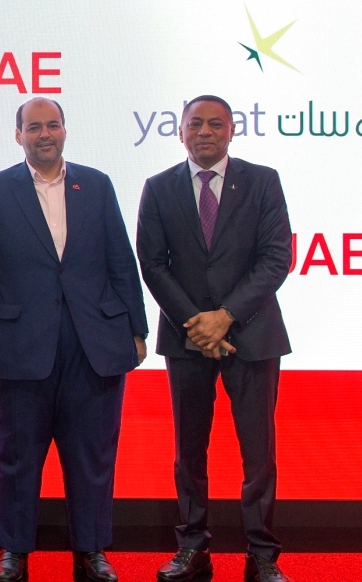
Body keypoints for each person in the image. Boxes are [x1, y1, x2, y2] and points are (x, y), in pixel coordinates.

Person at [0, 98, 147, 582]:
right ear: (18, 135)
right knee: (14, 457)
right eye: (33, 127)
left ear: (65, 130)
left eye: (52, 125)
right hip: (15, 346)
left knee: (92, 456)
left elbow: (120, 259)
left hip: (92, 343)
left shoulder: (97, 184)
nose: (44, 134)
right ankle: (14, 551)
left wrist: (136, 328)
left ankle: (91, 550)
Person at [136, 95, 293, 582]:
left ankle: (262, 554)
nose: (205, 132)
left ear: (231, 130)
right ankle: (192, 547)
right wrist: (197, 323)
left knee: (258, 452)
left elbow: (276, 257)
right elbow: (152, 264)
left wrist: (225, 317)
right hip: (187, 339)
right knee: (189, 450)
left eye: (216, 124)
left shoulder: (263, 181)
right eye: (195, 124)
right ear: (180, 131)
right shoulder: (158, 187)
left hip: (252, 333)